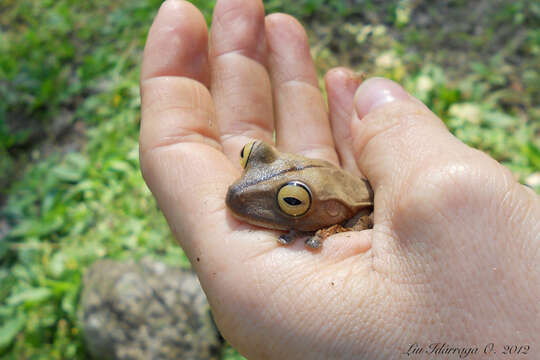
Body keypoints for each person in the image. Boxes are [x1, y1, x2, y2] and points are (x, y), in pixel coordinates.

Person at [139, 0, 540, 358]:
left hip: (355, 205)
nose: (240, 192)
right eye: (250, 158)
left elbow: (361, 215)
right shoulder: (267, 177)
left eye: (291, 202)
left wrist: (332, 230)